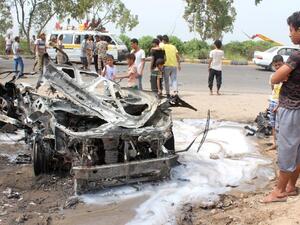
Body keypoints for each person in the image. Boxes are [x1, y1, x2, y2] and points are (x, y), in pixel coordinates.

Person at [262, 11, 300, 203]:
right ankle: (291, 186)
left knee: (287, 149)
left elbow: (275, 77)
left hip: (293, 108)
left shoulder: (296, 55)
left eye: (291, 29)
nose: (289, 34)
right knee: (298, 149)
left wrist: (278, 76)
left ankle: (279, 191)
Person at [266, 55, 284, 151]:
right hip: (273, 101)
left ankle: (281, 145)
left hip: (282, 103)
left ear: (283, 64)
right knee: (273, 124)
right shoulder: (272, 76)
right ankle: (275, 143)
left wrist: (279, 103)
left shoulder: (286, 77)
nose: (277, 67)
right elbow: (272, 89)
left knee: (281, 125)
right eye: (276, 65)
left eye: (279, 65)